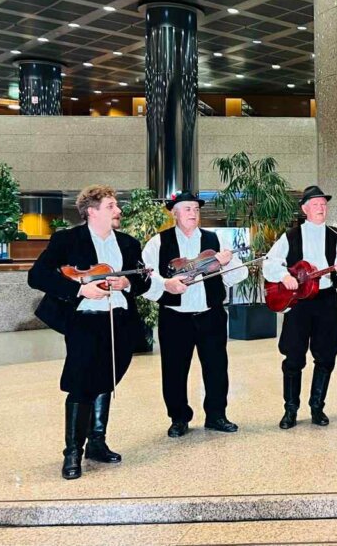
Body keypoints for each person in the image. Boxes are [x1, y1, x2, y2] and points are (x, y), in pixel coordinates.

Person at [28, 185, 150, 480]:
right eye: (111, 206)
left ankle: (97, 441)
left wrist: (129, 285)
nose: (118, 210)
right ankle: (73, 452)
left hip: (119, 320)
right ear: (91, 211)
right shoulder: (67, 240)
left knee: (107, 379)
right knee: (81, 382)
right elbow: (37, 276)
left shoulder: (130, 243)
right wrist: (81, 288)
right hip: (85, 322)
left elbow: (143, 280)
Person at [142, 192, 247, 438]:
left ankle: (216, 415)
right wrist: (166, 283)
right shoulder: (158, 243)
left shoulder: (214, 239)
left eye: (196, 209)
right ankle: (178, 418)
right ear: (174, 213)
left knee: (217, 367)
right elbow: (145, 275)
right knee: (174, 370)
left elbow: (236, 276)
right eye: (187, 209)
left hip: (210, 315)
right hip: (175, 317)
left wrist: (226, 262)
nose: (192, 213)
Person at [263, 185, 337, 429]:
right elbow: (269, 263)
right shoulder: (291, 236)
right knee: (293, 356)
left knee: (326, 355)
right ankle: (290, 410)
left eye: (323, 204)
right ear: (305, 209)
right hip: (299, 302)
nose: (321, 208)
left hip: (326, 301)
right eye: (315, 204)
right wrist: (284, 276)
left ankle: (317, 407)